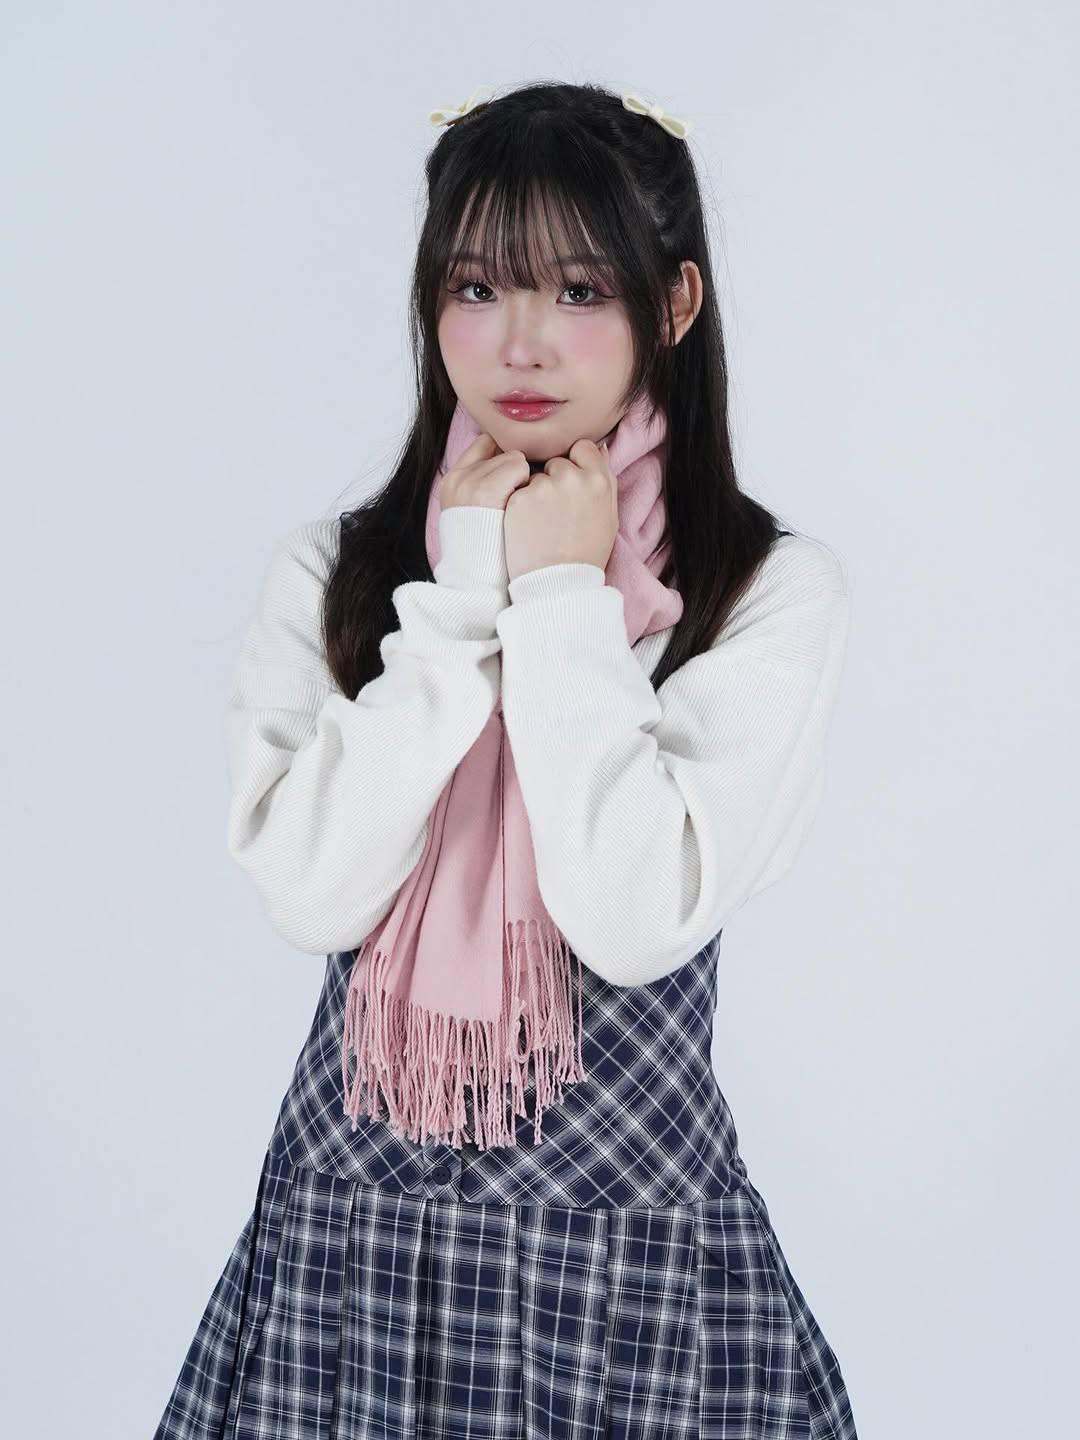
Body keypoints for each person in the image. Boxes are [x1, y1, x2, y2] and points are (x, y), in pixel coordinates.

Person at [154, 80, 859, 1440]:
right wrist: (460, 601)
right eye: (477, 286)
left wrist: (561, 601)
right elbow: (312, 894)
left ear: (674, 302)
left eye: (579, 289)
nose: (521, 342)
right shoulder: (338, 574)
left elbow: (635, 918)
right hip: (354, 1254)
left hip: (622, 1270)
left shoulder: (761, 592)